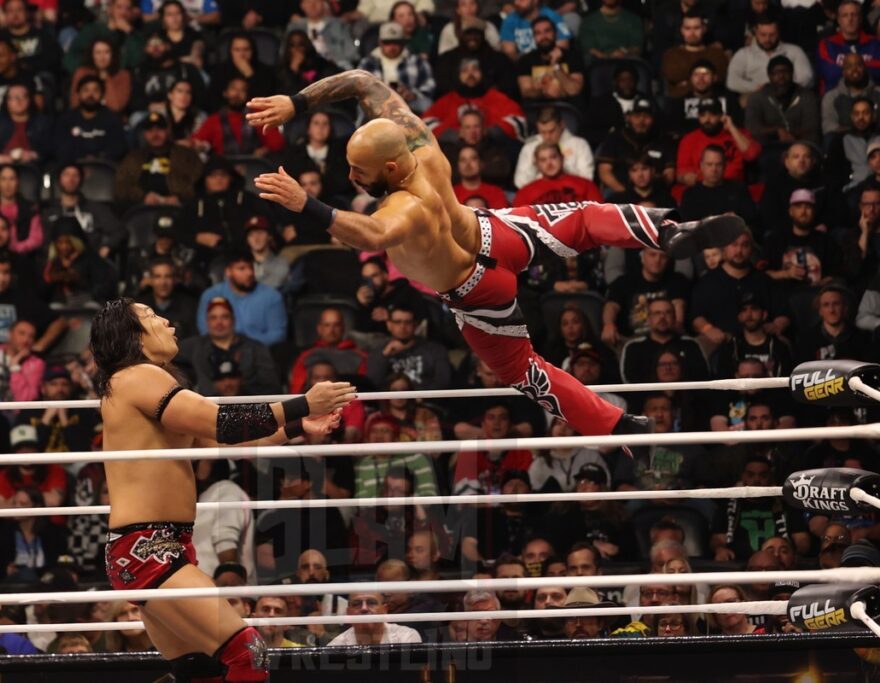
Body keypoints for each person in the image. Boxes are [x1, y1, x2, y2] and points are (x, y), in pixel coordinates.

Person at [248, 70, 748, 437]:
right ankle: (668, 228)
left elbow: (370, 236)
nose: (353, 179)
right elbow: (362, 81)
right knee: (584, 219)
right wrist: (297, 101)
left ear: (393, 170)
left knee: (522, 372)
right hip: (493, 232)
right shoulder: (421, 144)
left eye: (361, 172)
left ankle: (619, 427)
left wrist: (305, 203)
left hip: (474, 291)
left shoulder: (406, 205)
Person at [90, 298, 354, 680]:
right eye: (151, 317)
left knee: (200, 670)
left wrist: (299, 426)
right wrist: (301, 403)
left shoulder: (143, 386)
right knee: (250, 654)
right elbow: (223, 423)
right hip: (150, 547)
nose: (167, 321)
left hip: (156, 546)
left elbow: (226, 443)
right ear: (132, 335)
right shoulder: (136, 376)